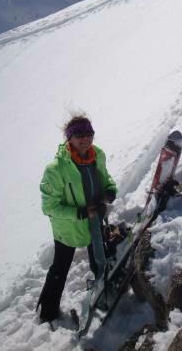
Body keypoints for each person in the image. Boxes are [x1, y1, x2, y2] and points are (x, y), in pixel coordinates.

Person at [37, 115, 117, 323]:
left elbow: (106, 178)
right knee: (60, 268)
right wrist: (79, 213)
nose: (85, 139)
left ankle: (103, 291)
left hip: (95, 218)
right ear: (69, 138)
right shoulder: (56, 169)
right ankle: (47, 314)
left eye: (89, 134)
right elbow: (49, 207)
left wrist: (109, 191)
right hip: (69, 228)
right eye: (79, 135)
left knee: (99, 257)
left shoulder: (97, 155)